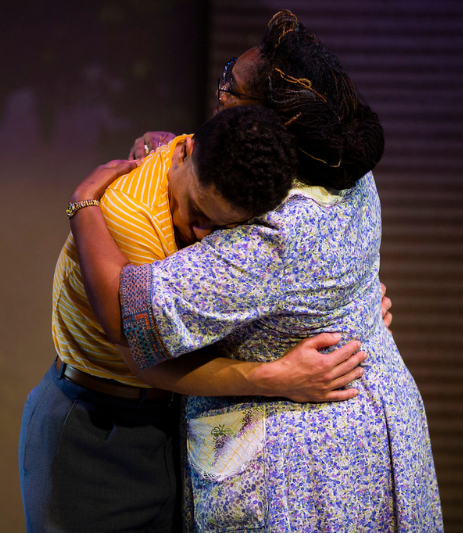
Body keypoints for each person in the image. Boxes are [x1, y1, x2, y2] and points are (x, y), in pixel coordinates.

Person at [68, 10, 442, 532]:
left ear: (270, 128)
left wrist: (84, 205)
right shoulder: (346, 171)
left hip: (298, 463)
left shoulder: (270, 238)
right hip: (376, 420)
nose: (219, 97)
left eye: (231, 92)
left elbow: (126, 315)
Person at [19, 104, 376, 532]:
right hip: (97, 425)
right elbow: (139, 349)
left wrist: (357, 310)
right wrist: (276, 377)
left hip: (168, 422)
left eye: (222, 227)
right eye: (198, 213)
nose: (203, 235)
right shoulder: (132, 218)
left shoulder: (223, 168)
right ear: (186, 152)